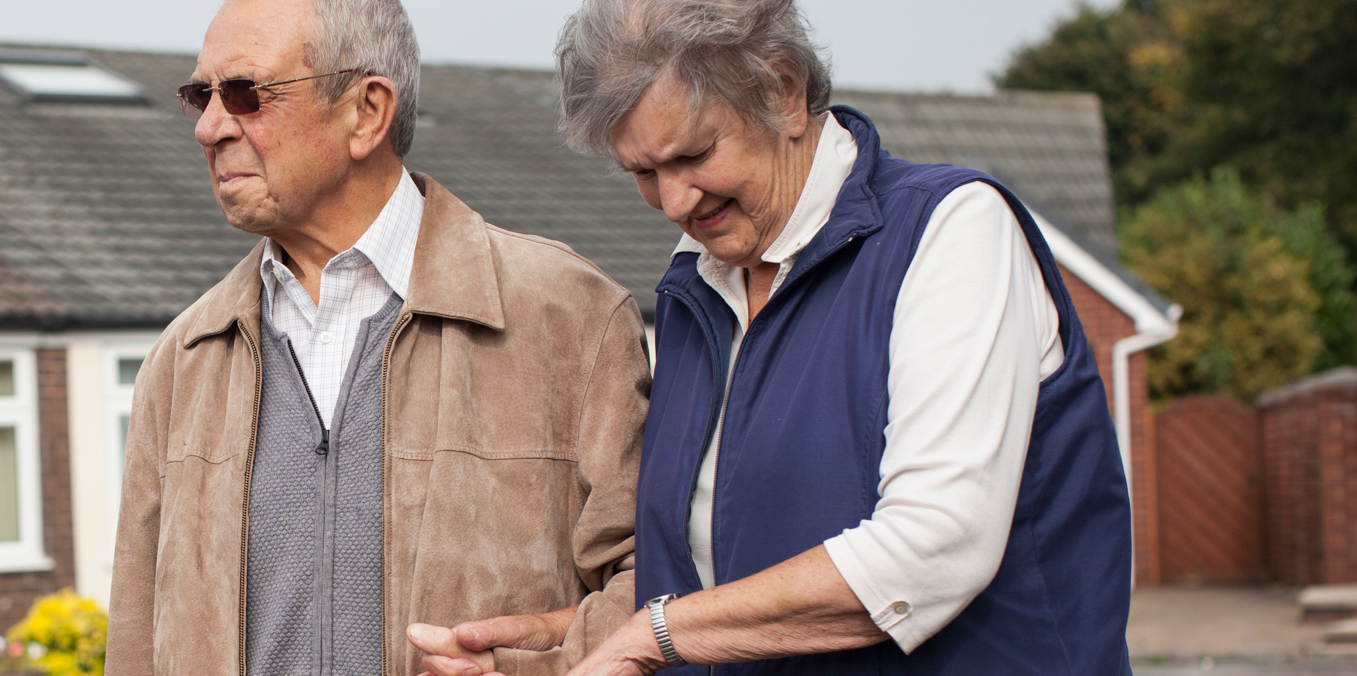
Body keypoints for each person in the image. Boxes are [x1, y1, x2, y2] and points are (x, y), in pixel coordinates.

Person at [413, 0, 1134, 674]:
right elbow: (713, 568)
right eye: (641, 172)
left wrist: (655, 634)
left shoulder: (949, 232)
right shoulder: (700, 283)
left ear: (783, 91)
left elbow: (931, 550)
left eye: (693, 155)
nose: (673, 202)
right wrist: (566, 636)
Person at [102, 0, 653, 674]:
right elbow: (135, 633)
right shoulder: (183, 357)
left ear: (366, 110)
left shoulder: (570, 316)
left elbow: (657, 585)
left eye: (245, 94)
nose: (209, 127)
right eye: (200, 96)